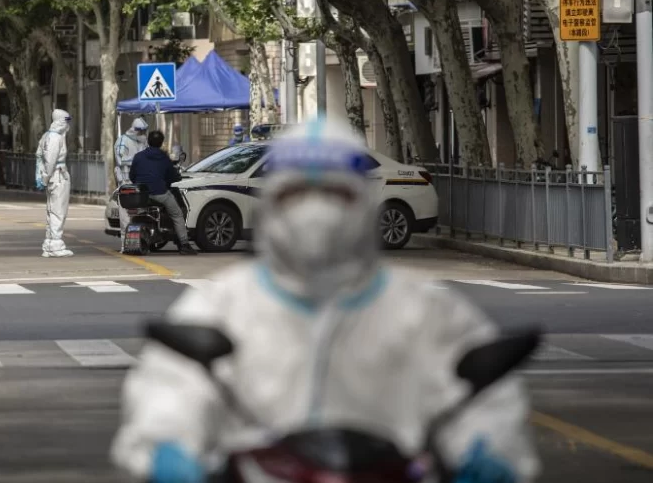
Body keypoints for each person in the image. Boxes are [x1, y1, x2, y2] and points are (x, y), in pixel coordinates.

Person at [111, 119, 538, 483]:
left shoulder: (425, 309)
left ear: (363, 204)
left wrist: (485, 450)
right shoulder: (222, 305)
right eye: (296, 196)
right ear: (271, 204)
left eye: (335, 196)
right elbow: (169, 392)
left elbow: (484, 402)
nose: (315, 212)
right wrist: (172, 449)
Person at [128, 131, 197, 256]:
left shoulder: (138, 156)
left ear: (148, 141)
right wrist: (176, 177)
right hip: (159, 193)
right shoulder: (164, 158)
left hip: (141, 194)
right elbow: (172, 177)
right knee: (177, 214)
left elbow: (132, 176)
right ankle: (184, 244)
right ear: (161, 143)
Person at [35, 109, 74, 258]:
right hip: (57, 176)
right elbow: (50, 160)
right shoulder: (55, 138)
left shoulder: (47, 136)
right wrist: (45, 177)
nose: (68, 124)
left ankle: (51, 243)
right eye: (66, 121)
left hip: (55, 175)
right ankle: (55, 244)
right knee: (58, 211)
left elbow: (39, 155)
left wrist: (44, 177)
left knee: (53, 210)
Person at [114, 117, 149, 186]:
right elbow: (120, 159)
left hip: (141, 179)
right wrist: (137, 160)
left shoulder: (143, 142)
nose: (143, 134)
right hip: (126, 179)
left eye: (144, 131)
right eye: (141, 132)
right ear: (135, 131)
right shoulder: (123, 140)